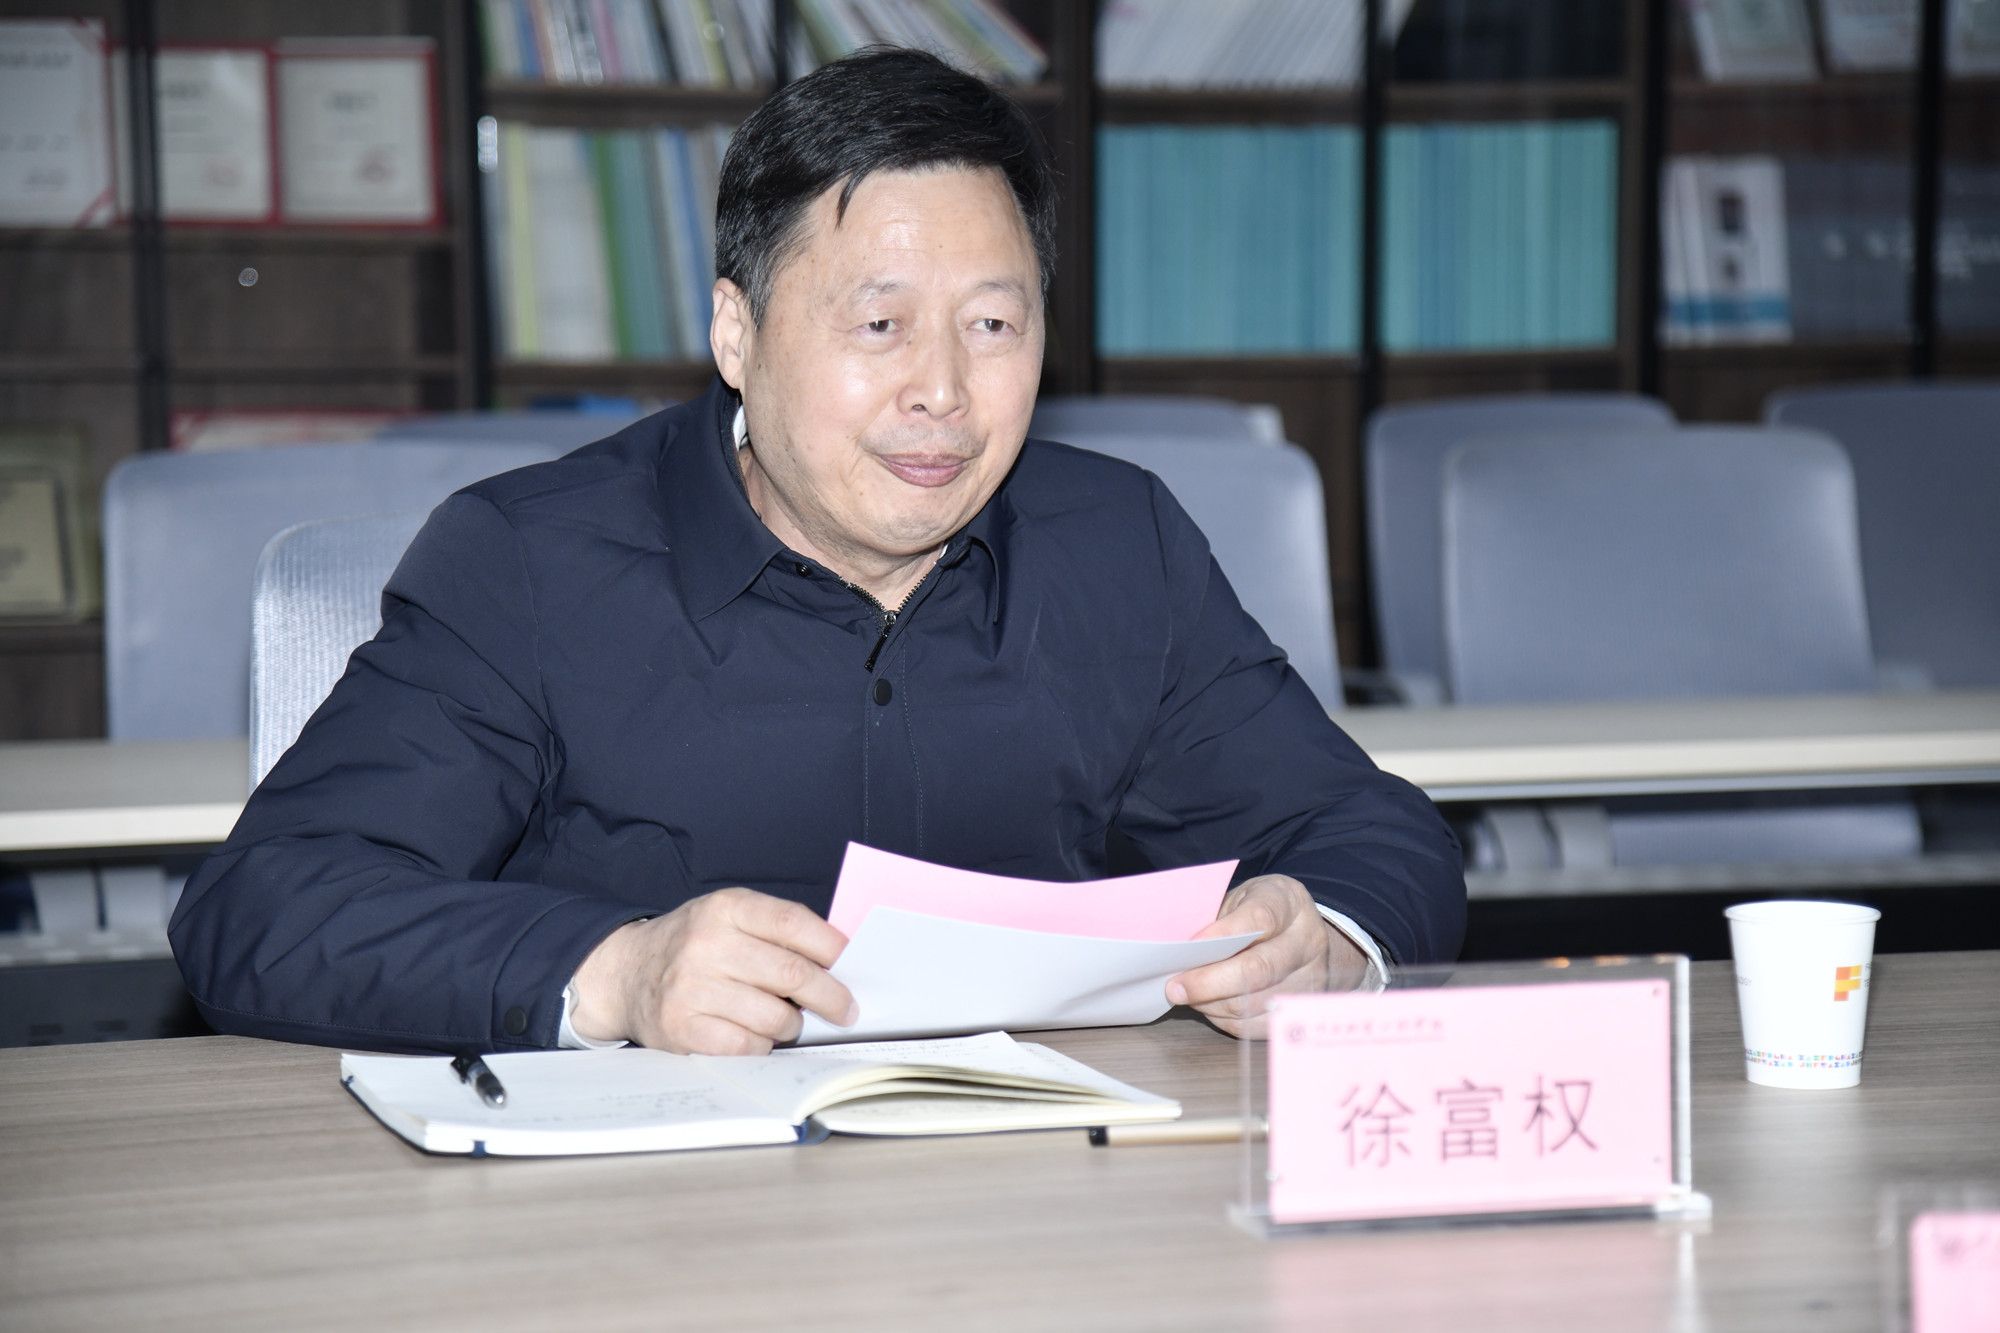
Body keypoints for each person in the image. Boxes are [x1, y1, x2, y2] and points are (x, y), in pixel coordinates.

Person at [169, 48, 1464, 1057]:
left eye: (994, 325)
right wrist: (616, 972)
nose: (943, 391)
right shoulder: (530, 564)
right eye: (880, 324)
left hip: (1026, 1208)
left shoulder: (1119, 545)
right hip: (649, 1223)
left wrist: (1327, 940)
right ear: (736, 333)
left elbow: (1374, 831)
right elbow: (264, 906)